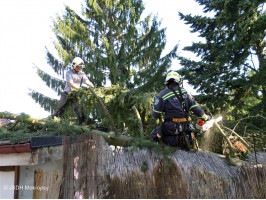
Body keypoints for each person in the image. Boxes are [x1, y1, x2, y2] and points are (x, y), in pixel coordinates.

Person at [150, 71, 208, 148]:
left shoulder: (162, 95)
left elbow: (155, 114)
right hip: (187, 127)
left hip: (171, 128)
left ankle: (164, 154)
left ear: (167, 83)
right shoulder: (186, 92)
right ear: (179, 81)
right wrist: (205, 117)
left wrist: (156, 107)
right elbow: (196, 109)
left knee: (154, 134)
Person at [53, 57, 94, 125]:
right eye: (78, 66)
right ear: (74, 66)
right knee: (60, 106)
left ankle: (81, 123)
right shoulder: (69, 73)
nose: (80, 68)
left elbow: (87, 81)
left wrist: (92, 86)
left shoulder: (82, 74)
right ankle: (55, 120)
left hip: (76, 94)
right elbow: (70, 83)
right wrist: (79, 88)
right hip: (67, 93)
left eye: (81, 67)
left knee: (79, 108)